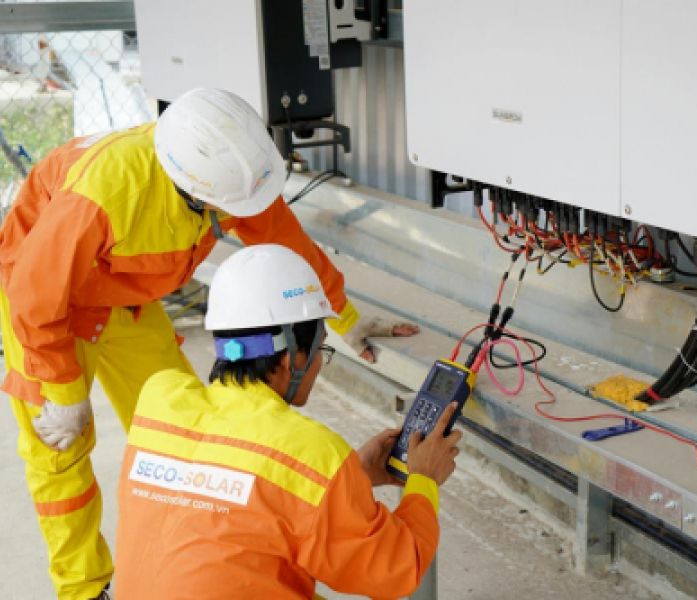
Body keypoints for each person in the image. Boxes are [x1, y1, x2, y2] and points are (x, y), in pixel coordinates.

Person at [0, 88, 416, 600]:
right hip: (43, 299)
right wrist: (62, 390)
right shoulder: (104, 194)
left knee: (182, 429)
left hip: (123, 295)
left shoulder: (223, 168)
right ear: (190, 188)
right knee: (59, 450)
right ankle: (84, 590)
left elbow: (285, 243)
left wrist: (344, 316)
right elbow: (36, 293)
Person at [114, 244, 460, 599]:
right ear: (292, 358)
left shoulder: (160, 401)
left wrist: (350, 478)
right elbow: (394, 570)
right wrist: (424, 479)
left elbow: (234, 494)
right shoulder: (311, 453)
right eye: (321, 350)